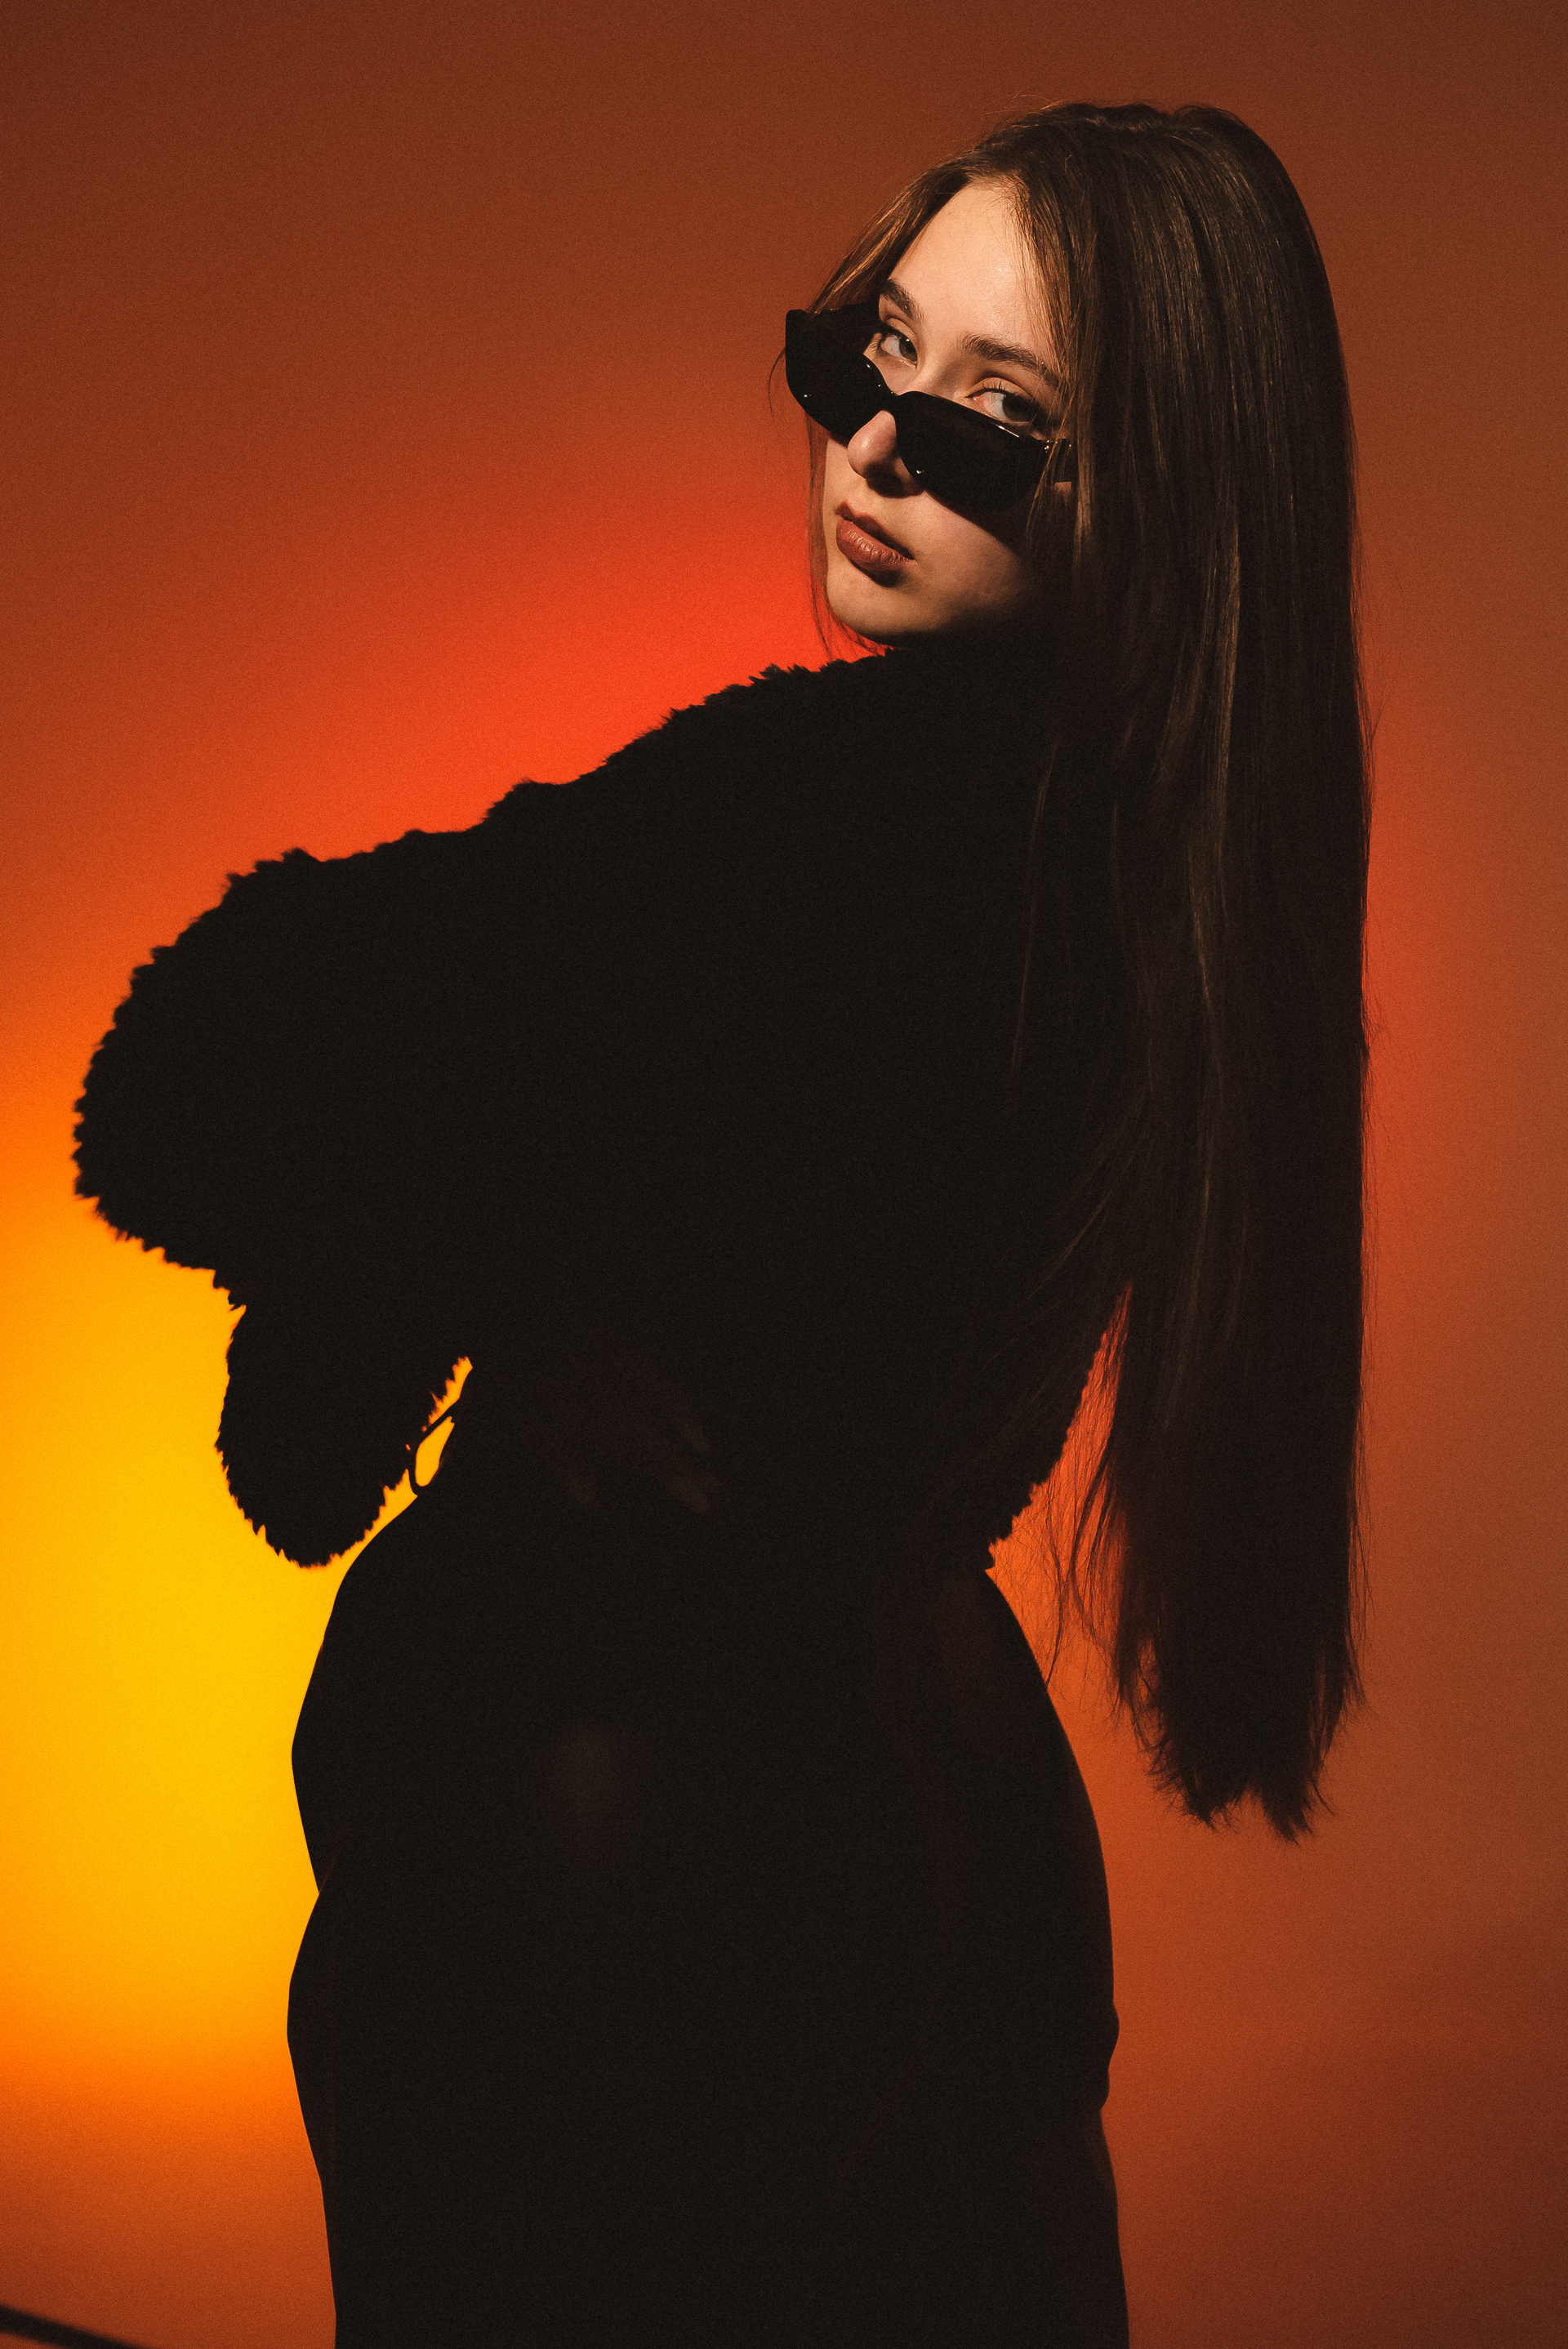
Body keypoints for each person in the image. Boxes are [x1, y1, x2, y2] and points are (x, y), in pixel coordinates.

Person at [74, 100, 1369, 2348]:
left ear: (1154, 487)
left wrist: (441, 1292)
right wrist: (504, 1268)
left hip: (612, 1855)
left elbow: (191, 1059)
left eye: (991, 424)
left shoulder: (804, 823)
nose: (872, 448)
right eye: (869, 354)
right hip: (943, 1805)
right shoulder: (1185, 883)